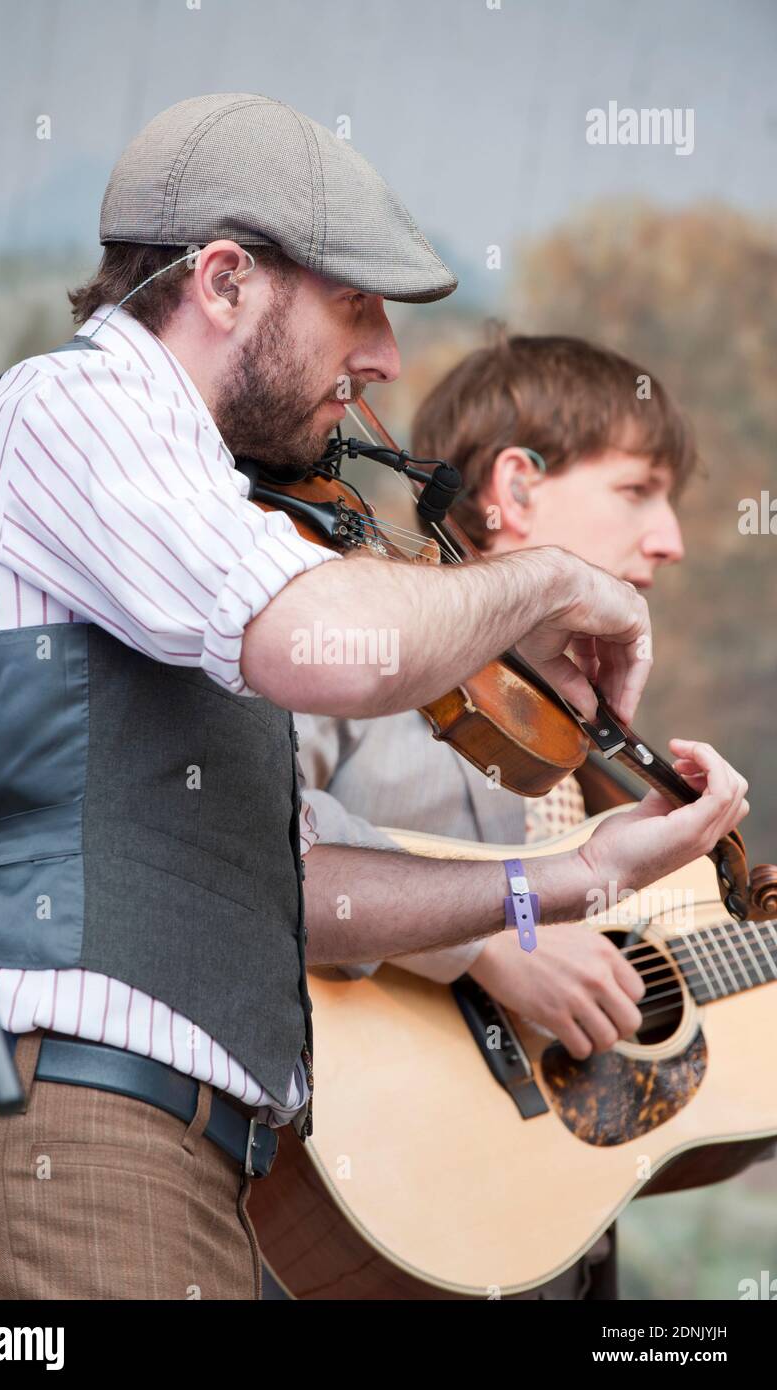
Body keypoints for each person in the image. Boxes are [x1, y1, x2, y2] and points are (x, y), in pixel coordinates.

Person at [0, 94, 746, 1301]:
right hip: (73, 1137)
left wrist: (578, 878)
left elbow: (305, 886)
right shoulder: (74, 409)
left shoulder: (207, 514)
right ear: (225, 280)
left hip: (191, 1158)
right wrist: (550, 579)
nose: (387, 362)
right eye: (357, 304)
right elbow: (332, 643)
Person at [293, 329, 693, 1299]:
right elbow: (246, 830)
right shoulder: (362, 637)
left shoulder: (593, 734)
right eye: (638, 491)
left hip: (542, 1244)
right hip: (359, 1208)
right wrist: (489, 941)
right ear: (514, 490)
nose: (671, 538)